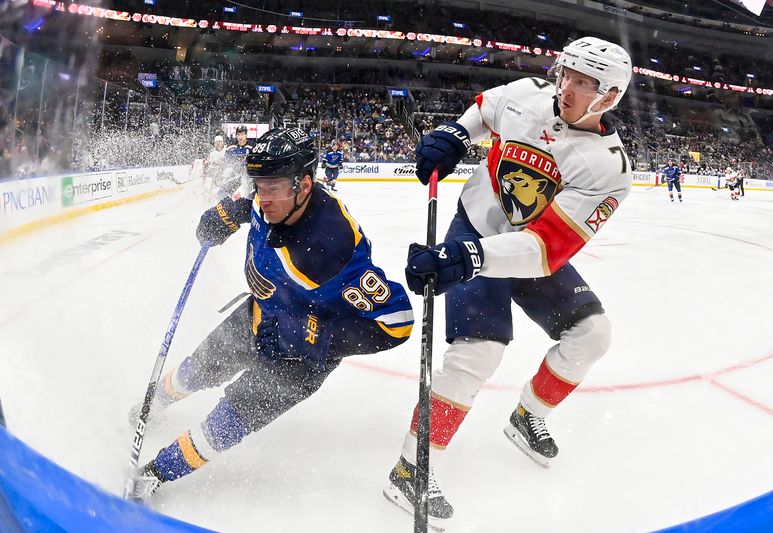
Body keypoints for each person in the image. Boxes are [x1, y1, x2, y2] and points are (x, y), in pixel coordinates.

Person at [382, 36, 632, 528]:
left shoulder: (608, 168)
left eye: (584, 83)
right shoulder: (529, 93)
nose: (567, 89)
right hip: (476, 223)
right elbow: (486, 108)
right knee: (478, 352)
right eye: (566, 75)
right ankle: (410, 468)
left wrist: (468, 258)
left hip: (525, 250)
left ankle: (527, 415)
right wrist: (455, 134)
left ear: (609, 96)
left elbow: (544, 249)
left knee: (593, 333)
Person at [131, 127, 414, 501]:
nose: (262, 197)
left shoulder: (332, 249)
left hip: (299, 363)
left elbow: (398, 322)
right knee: (194, 370)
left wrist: (316, 337)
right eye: (258, 185)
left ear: (305, 185)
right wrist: (227, 214)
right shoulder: (274, 196)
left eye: (273, 187)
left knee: (226, 421)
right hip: (258, 316)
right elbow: (251, 201)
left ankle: (157, 474)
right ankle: (152, 406)